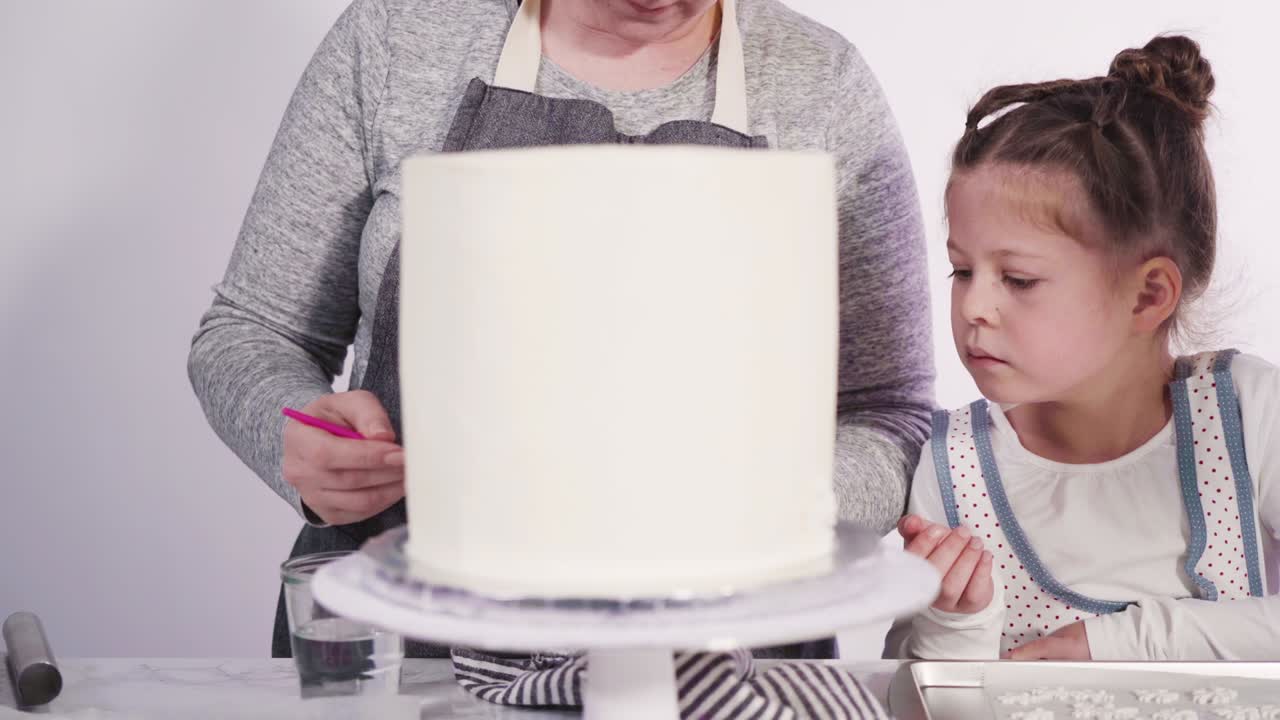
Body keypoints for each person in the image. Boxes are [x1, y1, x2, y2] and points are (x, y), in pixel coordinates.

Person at [187, 0, 935, 659]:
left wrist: (765, 516)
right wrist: (297, 435)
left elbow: (887, 404)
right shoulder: (395, 36)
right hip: (414, 639)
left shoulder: (820, 81)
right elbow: (251, 330)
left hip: (727, 649)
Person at [886, 35, 1280, 661]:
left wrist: (1115, 645)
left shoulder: (1247, 415)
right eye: (962, 271)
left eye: (1018, 279)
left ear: (1148, 295)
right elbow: (923, 694)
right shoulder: (949, 467)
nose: (973, 307)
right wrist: (956, 622)